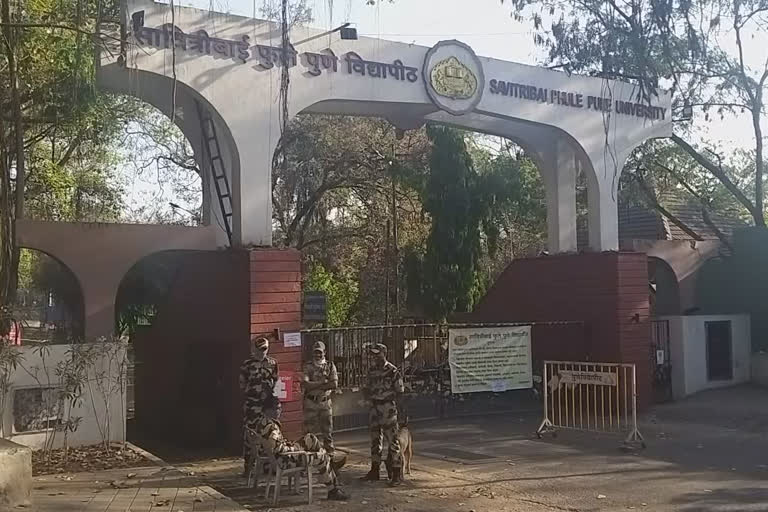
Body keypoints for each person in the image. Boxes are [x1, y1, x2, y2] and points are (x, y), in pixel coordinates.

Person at [245, 396, 349, 501]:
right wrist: (297, 448)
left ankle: (331, 469)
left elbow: (276, 446)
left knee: (311, 438)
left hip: (279, 457)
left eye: (280, 408)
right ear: (268, 410)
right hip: (284, 461)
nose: (280, 411)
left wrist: (293, 445)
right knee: (321, 456)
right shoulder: (270, 428)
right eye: (277, 409)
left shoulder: (263, 422)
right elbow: (279, 450)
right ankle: (333, 489)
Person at [361, 343, 404, 486]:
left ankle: (396, 473)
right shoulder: (372, 370)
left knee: (393, 441)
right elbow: (366, 387)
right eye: (373, 354)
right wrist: (367, 399)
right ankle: (374, 470)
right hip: (374, 407)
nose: (375, 357)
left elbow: (400, 391)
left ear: (384, 353)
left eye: (377, 354)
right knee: (375, 440)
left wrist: (396, 408)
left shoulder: (392, 371)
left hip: (387, 407)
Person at [239, 334, 279, 477]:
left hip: (267, 406)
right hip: (252, 405)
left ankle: (268, 466)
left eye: (265, 349)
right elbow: (242, 384)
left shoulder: (273, 363)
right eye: (260, 349)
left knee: (268, 435)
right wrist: (254, 392)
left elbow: (276, 383)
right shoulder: (247, 364)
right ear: (255, 349)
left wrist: (274, 401)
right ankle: (248, 467)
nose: (263, 352)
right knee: (250, 436)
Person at [301, 341, 338, 454]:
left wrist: (315, 384)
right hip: (310, 403)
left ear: (324, 352)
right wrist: (322, 382)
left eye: (320, 353)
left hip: (325, 403)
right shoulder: (308, 366)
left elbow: (334, 384)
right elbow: (306, 384)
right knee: (308, 433)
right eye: (315, 353)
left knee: (327, 432)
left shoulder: (330, 366)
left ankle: (330, 459)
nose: (317, 355)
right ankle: (308, 457)